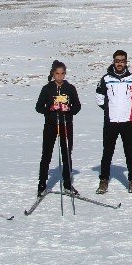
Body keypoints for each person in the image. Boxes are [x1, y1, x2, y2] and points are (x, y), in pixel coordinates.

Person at [96, 50, 132, 194]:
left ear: (126, 62)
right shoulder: (105, 79)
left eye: (122, 61)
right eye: (117, 60)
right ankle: (104, 180)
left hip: (127, 121)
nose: (119, 63)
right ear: (113, 62)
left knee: (130, 152)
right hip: (111, 121)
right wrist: (109, 109)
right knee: (107, 152)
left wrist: (129, 109)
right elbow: (99, 97)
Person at [35, 60, 82, 196]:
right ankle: (42, 184)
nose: (60, 77)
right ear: (53, 74)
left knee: (66, 154)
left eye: (62, 74)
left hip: (66, 124)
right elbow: (38, 107)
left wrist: (69, 109)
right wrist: (50, 109)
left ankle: (67, 184)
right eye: (57, 74)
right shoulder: (47, 88)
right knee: (47, 154)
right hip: (51, 124)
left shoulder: (70, 88)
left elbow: (77, 106)